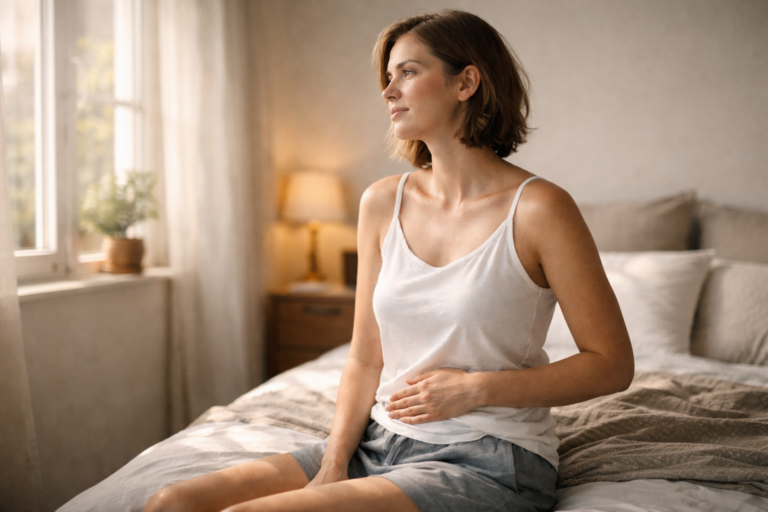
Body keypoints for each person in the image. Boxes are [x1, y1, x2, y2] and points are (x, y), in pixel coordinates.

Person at [144, 10, 634, 512]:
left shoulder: (540, 209)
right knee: (170, 503)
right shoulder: (381, 202)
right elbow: (364, 357)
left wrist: (476, 390)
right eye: (388, 75)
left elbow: (612, 364)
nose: (388, 90)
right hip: (377, 443)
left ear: (466, 82)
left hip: (488, 458)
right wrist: (335, 462)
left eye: (409, 72)